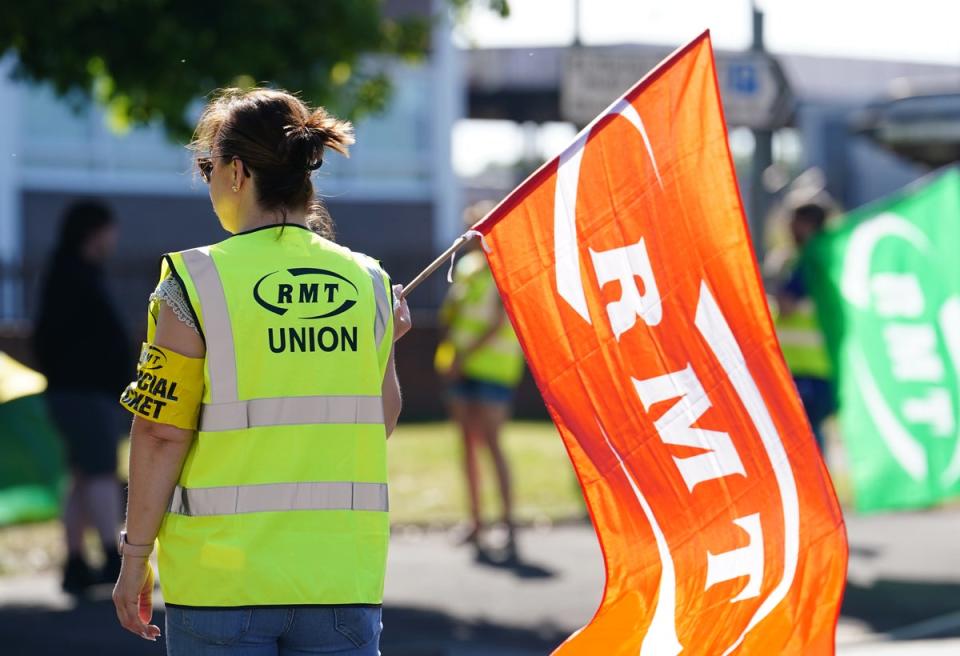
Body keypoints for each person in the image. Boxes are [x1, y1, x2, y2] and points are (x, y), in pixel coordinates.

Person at [111, 88, 411, 654]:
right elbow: (382, 422)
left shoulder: (193, 283)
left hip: (222, 581)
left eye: (208, 167)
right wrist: (387, 344)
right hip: (339, 578)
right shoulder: (369, 281)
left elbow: (160, 431)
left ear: (237, 172)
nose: (207, 181)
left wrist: (134, 558)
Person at [33, 199, 131, 594]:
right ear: (95, 231)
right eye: (110, 229)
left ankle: (75, 562)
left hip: (74, 393)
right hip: (84, 393)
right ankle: (110, 556)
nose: (114, 237)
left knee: (81, 477)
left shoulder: (70, 271)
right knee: (101, 474)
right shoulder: (74, 275)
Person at [435, 202, 525, 560]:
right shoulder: (469, 268)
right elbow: (453, 315)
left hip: (492, 368)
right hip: (462, 366)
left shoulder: (506, 270)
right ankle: (476, 522)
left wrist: (463, 355)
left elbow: (496, 324)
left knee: (492, 443)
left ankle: (508, 523)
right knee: (467, 445)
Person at [775, 202, 835, 451]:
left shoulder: (810, 262)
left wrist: (769, 283)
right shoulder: (828, 258)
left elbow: (787, 306)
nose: (789, 229)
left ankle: (817, 489)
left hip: (807, 367)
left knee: (805, 438)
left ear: (807, 225)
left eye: (793, 222)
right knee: (809, 434)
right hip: (819, 366)